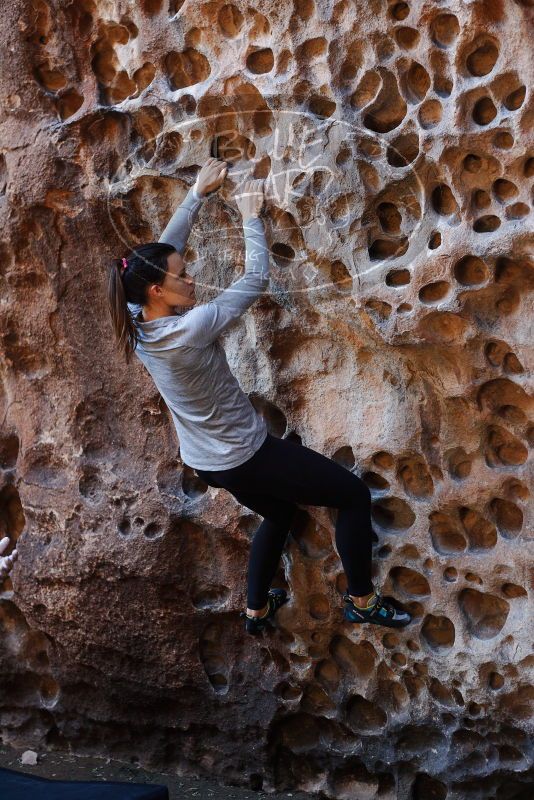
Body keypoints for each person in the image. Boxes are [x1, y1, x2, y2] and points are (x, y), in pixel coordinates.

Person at [107, 157, 412, 635]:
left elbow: (161, 256)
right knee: (352, 495)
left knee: (280, 511)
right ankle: (362, 601)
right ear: (157, 291)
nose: (191, 277)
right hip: (245, 455)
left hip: (205, 460)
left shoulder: (136, 318)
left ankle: (256, 609)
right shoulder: (190, 328)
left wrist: (198, 194)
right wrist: (251, 214)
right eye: (182, 276)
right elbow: (253, 281)